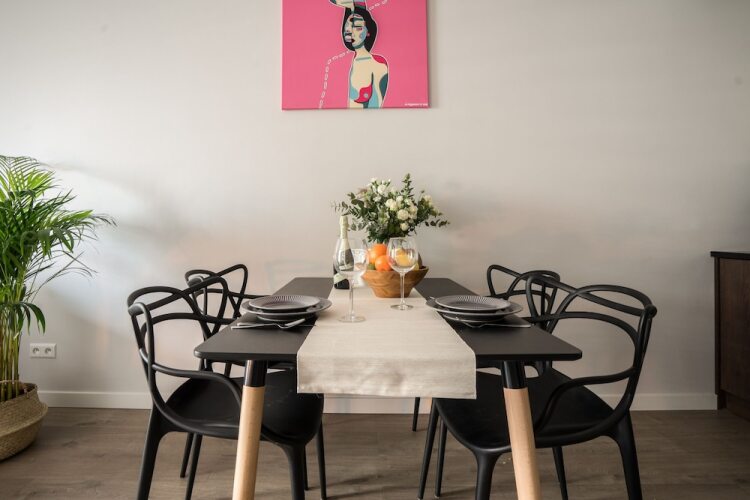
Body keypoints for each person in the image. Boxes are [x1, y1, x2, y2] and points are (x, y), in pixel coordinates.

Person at [330, 0, 389, 108]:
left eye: (357, 26)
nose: (349, 30)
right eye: (347, 26)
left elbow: (376, 107)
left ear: (368, 32)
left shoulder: (378, 64)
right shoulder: (343, 63)